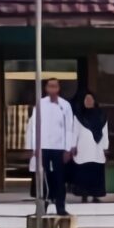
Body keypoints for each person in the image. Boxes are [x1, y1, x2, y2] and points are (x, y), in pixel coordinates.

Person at [33, 78, 76, 215]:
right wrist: (35, 147)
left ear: (58, 88)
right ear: (46, 88)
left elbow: (69, 128)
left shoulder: (65, 105)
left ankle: (60, 207)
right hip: (43, 146)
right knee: (43, 178)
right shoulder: (40, 104)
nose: (52, 88)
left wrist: (68, 148)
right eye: (50, 86)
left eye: (55, 86)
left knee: (59, 177)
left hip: (59, 148)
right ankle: (42, 206)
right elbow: (35, 126)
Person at [71, 92, 111, 203]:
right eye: (86, 99)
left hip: (97, 148)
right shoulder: (79, 115)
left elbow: (105, 132)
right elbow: (75, 131)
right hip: (83, 147)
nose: (88, 101)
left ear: (94, 101)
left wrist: (105, 148)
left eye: (90, 99)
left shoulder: (101, 115)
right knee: (83, 171)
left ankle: (95, 195)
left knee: (96, 170)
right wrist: (73, 146)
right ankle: (84, 195)